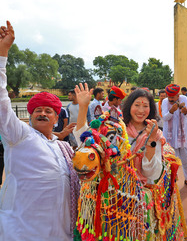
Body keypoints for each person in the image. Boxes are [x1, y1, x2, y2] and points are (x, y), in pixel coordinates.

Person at [0, 21, 80, 240]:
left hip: (61, 231)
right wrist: (2, 54)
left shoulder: (63, 148)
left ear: (56, 118)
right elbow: (2, 102)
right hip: (21, 231)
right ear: (31, 115)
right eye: (37, 110)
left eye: (48, 110)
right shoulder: (20, 136)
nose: (42, 113)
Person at [74, 85, 164, 185]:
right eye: (137, 105)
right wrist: (83, 107)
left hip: (139, 192)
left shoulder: (155, 134)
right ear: (129, 106)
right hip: (113, 189)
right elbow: (85, 140)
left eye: (145, 106)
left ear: (151, 109)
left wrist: (151, 140)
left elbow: (153, 174)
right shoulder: (115, 127)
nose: (141, 111)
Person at [162, 84, 187, 189]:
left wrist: (185, 111)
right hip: (171, 137)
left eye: (173, 97)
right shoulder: (164, 102)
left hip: (183, 136)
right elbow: (165, 117)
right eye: (169, 97)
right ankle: (172, 181)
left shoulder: (184, 99)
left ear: (178, 95)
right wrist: (172, 110)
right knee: (172, 160)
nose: (170, 99)